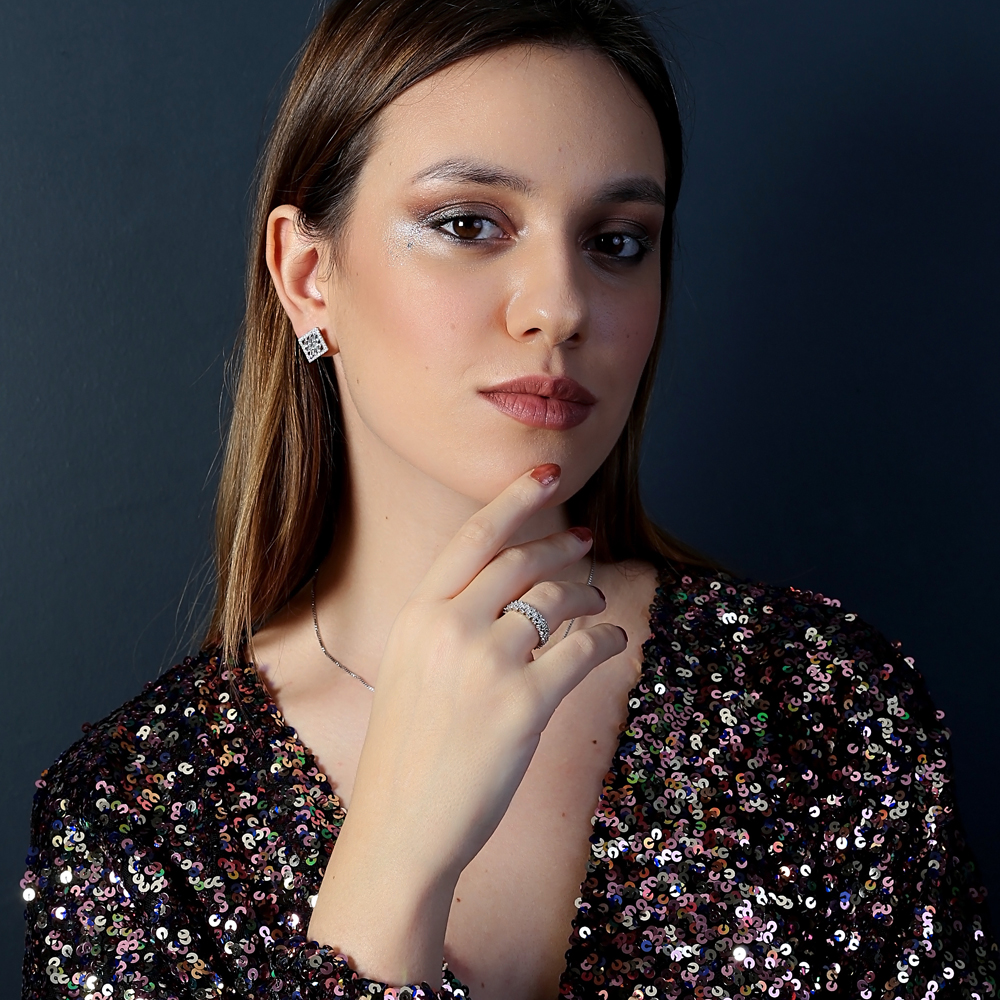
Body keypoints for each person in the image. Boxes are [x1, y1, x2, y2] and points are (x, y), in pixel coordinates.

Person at [20, 0, 997, 997]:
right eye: (467, 224)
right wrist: (392, 864)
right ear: (309, 275)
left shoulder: (823, 709)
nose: (560, 306)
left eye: (616, 241)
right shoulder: (133, 821)